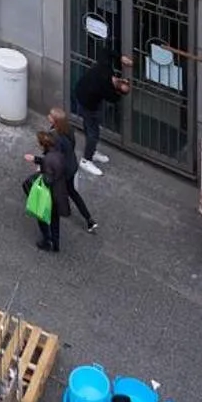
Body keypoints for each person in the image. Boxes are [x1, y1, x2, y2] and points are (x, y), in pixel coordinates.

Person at [72, 46, 133, 176]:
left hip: (82, 95)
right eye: (124, 82)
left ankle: (92, 151)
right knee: (93, 133)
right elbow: (114, 98)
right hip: (87, 104)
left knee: (90, 129)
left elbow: (105, 51)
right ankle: (86, 159)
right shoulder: (108, 90)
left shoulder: (106, 69)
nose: (122, 80)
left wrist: (120, 58)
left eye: (123, 82)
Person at [47, 107, 97, 232]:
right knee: (72, 191)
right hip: (71, 164)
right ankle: (88, 219)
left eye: (50, 116)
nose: (48, 117)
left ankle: (59, 210)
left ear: (55, 121)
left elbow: (54, 155)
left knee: (58, 188)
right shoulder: (68, 129)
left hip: (63, 168)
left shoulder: (54, 136)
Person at [24, 128, 71, 253]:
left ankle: (46, 240)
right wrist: (36, 159)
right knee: (55, 221)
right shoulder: (58, 153)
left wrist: (41, 172)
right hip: (60, 193)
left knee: (42, 217)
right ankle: (56, 244)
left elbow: (48, 180)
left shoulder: (48, 160)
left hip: (50, 195)